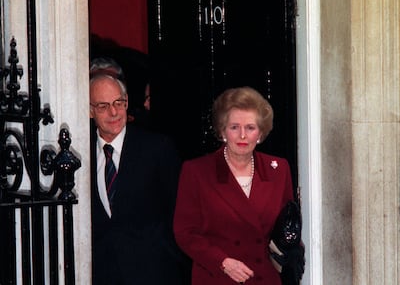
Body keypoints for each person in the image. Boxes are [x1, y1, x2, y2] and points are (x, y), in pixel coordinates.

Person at [173, 86, 295, 285]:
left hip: (264, 278)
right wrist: (222, 262)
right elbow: (185, 232)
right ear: (222, 130)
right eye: (234, 127)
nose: (243, 136)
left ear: (261, 133)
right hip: (218, 277)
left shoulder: (278, 169)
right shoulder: (197, 171)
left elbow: (286, 227)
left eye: (250, 128)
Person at [89, 69, 188, 284]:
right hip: (100, 273)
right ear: (90, 111)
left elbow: (179, 211)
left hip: (154, 272)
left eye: (119, 102)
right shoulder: (81, 153)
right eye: (103, 106)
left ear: (126, 103)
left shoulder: (157, 148)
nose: (114, 112)